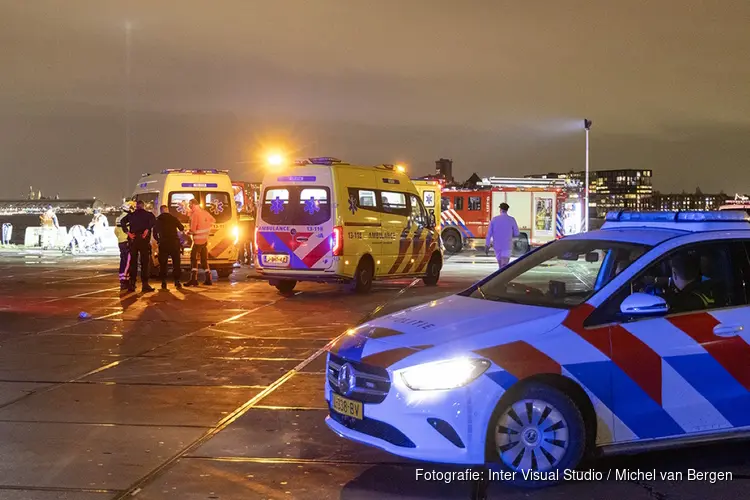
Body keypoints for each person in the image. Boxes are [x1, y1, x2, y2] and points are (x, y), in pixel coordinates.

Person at [120, 200, 156, 293]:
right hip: (144, 240)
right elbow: (154, 222)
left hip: (134, 240)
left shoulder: (131, 215)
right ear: (143, 206)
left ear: (136, 206)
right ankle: (145, 284)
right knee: (145, 263)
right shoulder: (148, 215)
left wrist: (128, 233)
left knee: (133, 263)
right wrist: (147, 230)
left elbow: (122, 221)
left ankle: (132, 284)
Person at [186, 198, 215, 286]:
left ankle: (193, 279)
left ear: (194, 204)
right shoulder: (204, 212)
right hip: (205, 241)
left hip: (197, 241)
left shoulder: (195, 214)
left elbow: (193, 230)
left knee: (193, 259)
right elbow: (213, 220)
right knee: (204, 260)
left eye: (190, 204)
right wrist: (206, 227)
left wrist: (187, 232)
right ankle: (208, 279)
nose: (189, 206)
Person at [154, 205, 184, 290]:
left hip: (163, 243)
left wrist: (159, 240)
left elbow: (154, 233)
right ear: (167, 210)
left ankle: (164, 282)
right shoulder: (174, 218)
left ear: (161, 211)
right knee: (176, 263)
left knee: (163, 263)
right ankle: (177, 281)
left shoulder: (158, 220)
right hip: (174, 243)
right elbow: (181, 228)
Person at [485, 202, 520, 268]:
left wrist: (487, 245)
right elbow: (517, 233)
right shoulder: (511, 219)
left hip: (497, 246)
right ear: (507, 210)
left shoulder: (494, 220)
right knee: (504, 266)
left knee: (500, 265)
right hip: (507, 246)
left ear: (500, 209)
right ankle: (503, 277)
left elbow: (489, 234)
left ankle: (501, 277)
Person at [115, 202, 134, 289]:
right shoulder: (128, 218)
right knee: (128, 262)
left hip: (120, 242)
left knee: (123, 261)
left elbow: (116, 231)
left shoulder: (118, 218)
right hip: (127, 241)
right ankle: (125, 281)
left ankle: (122, 278)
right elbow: (130, 229)